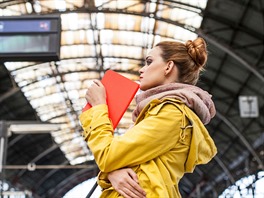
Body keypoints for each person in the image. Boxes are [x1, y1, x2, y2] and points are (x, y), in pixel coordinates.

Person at [79, 37, 217, 198]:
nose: (141, 69)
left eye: (149, 62)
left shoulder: (172, 113)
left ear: (168, 67)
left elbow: (108, 156)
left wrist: (98, 107)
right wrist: (112, 172)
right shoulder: (158, 113)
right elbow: (116, 161)